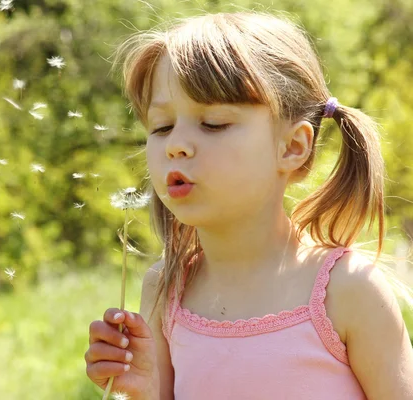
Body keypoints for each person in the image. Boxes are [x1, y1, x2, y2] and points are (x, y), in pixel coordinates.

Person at [84, 11, 413, 400]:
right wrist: (140, 388)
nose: (176, 144)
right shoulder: (166, 288)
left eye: (213, 124)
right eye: (161, 127)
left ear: (291, 146)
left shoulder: (346, 290)